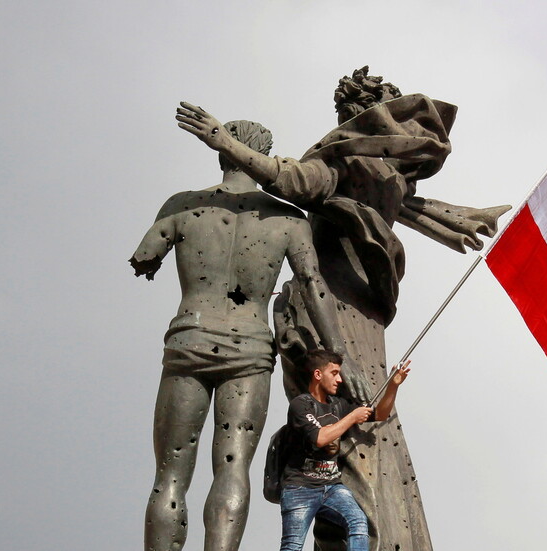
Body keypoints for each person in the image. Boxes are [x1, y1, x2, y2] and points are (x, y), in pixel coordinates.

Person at [175, 67, 509, 551]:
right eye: (391, 112)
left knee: (374, 427)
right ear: (367, 116)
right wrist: (224, 141)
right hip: (324, 309)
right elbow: (285, 177)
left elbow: (404, 207)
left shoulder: (376, 170)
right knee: (351, 435)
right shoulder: (332, 165)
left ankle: (389, 534)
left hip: (366, 315)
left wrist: (461, 217)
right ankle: (364, 536)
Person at [130, 119, 369, 551]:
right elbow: (314, 287)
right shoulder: (288, 220)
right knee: (233, 466)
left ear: (223, 153)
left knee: (169, 472)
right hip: (250, 349)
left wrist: (152, 261)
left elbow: (144, 257)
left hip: (190, 338)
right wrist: (341, 356)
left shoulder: (183, 204)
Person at [280, 350, 410, 551]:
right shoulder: (302, 405)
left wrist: (393, 385)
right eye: (334, 373)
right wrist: (352, 417)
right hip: (300, 487)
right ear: (317, 375)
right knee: (292, 545)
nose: (339, 379)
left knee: (358, 522)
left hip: (332, 487)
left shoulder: (339, 405)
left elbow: (381, 413)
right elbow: (320, 438)